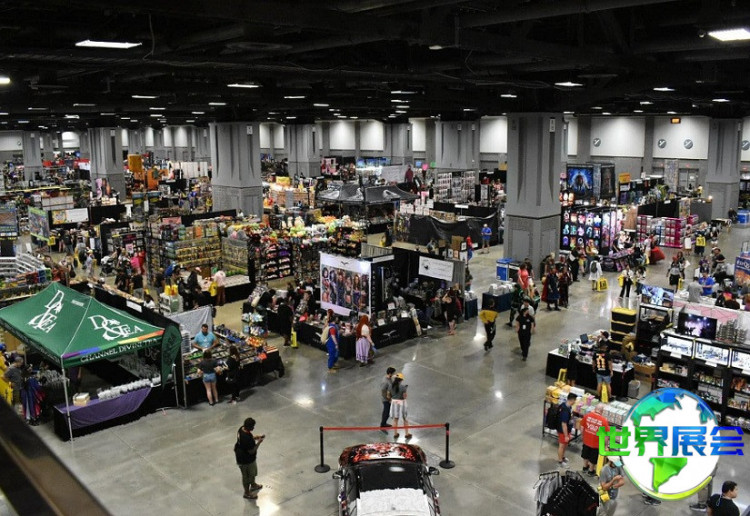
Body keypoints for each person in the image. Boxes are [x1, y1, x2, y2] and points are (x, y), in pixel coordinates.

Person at [234, 417, 265, 500]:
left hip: (249, 458)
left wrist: (255, 437)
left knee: (252, 472)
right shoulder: (246, 438)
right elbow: (252, 451)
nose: (253, 428)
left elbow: (247, 439)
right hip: (244, 459)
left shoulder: (241, 429)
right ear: (248, 427)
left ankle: (253, 485)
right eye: (252, 426)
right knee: (246, 477)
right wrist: (259, 442)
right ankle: (247, 493)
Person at [578, 408, 609, 477]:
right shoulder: (604, 420)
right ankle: (591, 471)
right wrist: (606, 445)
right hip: (596, 444)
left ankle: (585, 467)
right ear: (602, 411)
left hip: (586, 440)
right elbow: (606, 436)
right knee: (593, 458)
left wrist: (583, 436)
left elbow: (582, 427)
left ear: (595, 409)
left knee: (585, 454)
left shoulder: (587, 416)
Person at [389, 373, 412, 440]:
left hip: (394, 403)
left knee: (395, 419)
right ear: (401, 380)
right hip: (402, 403)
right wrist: (404, 390)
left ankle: (395, 434)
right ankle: (407, 434)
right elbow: (405, 397)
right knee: (405, 418)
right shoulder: (403, 387)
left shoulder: (390, 386)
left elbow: (388, 395)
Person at [557, 392, 577, 467]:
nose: (575, 402)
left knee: (565, 444)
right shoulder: (565, 410)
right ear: (572, 400)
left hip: (567, 430)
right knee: (562, 445)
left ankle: (562, 457)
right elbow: (564, 424)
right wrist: (566, 436)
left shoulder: (567, 406)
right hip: (563, 431)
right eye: (575, 400)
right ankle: (560, 461)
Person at [379, 367, 396, 431]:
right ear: (390, 373)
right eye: (393, 373)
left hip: (389, 398)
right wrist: (389, 400)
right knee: (386, 412)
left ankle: (384, 423)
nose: (394, 374)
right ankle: (382, 425)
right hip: (386, 400)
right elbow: (383, 392)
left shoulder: (389, 378)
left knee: (387, 412)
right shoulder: (385, 381)